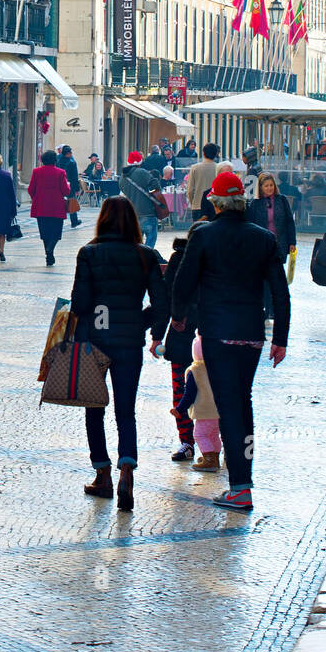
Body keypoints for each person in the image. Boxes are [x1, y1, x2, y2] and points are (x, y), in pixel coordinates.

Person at [171, 172, 290, 513]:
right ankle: (243, 481)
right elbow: (280, 294)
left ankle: (240, 488)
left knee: (228, 408)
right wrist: (279, 337)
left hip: (218, 334)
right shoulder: (264, 238)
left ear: (216, 202)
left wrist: (179, 317)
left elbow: (184, 282)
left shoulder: (205, 236)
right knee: (243, 404)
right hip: (251, 334)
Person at [72, 196, 168, 510]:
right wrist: (143, 323)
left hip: (94, 341)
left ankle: (102, 474)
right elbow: (162, 304)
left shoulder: (88, 253)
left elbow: (80, 304)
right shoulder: (146, 255)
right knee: (126, 411)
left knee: (94, 409)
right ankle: (126, 471)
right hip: (129, 341)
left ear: (102, 219)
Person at [155, 228, 201, 463]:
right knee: (181, 392)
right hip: (182, 340)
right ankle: (186, 441)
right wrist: (156, 335)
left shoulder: (217, 256)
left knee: (214, 394)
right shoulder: (179, 258)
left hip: (210, 338)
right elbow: (166, 296)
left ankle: (214, 444)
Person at [247, 173, 297, 317]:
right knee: (264, 279)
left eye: (271, 185)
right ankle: (264, 308)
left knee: (276, 277)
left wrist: (292, 242)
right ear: (261, 188)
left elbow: (289, 222)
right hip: (262, 246)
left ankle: (274, 309)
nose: (269, 188)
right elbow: (250, 224)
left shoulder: (282, 201)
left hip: (279, 244)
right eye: (266, 186)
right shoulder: (255, 204)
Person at [172, 334, 223, 472]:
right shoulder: (218, 367)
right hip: (219, 411)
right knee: (213, 435)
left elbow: (189, 394)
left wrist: (179, 409)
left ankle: (209, 460)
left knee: (199, 435)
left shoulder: (194, 370)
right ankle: (214, 457)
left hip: (204, 412)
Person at [28, 149, 71, 265]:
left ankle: (49, 254)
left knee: (45, 232)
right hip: (57, 206)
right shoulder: (60, 172)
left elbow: (31, 189)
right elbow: (65, 191)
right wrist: (68, 186)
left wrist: (36, 198)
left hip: (41, 206)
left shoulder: (36, 172)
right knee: (56, 232)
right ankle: (50, 250)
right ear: (55, 160)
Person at [120, 150, 161, 248]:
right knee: (150, 239)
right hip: (147, 212)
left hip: (132, 214)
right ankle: (146, 258)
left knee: (136, 241)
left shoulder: (122, 177)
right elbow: (156, 185)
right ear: (139, 162)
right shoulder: (142, 172)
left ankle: (138, 258)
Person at [185, 142, 219, 221]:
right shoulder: (219, 168)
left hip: (197, 205)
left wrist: (193, 203)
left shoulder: (195, 168)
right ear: (215, 154)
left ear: (203, 153)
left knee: (199, 231)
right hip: (215, 206)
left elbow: (190, 190)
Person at [56, 144, 83, 228]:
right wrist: (77, 188)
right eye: (70, 152)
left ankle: (58, 220)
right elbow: (74, 177)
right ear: (68, 153)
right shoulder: (72, 162)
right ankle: (74, 221)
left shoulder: (58, 160)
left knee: (59, 203)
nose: (71, 154)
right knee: (71, 203)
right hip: (70, 186)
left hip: (59, 185)